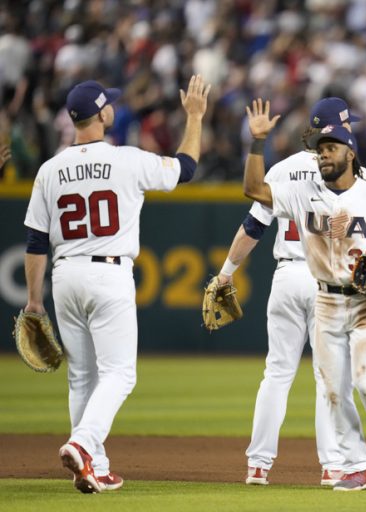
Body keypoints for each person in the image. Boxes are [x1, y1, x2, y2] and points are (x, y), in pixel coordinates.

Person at [215, 97, 366, 487]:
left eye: (333, 146)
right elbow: (253, 190)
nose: (327, 152)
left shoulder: (313, 176)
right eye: (324, 146)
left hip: (350, 292)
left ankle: (263, 463)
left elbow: (253, 226)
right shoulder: (319, 187)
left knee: (335, 379)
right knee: (331, 386)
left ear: (347, 150)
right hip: (320, 287)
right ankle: (347, 465)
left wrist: (226, 272)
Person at [22, 76, 211, 493]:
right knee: (120, 373)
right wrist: (194, 118)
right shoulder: (126, 159)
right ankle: (84, 445)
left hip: (64, 274)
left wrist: (34, 300)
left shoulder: (49, 170)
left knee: (81, 378)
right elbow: (187, 169)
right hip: (108, 273)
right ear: (102, 113)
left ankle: (94, 466)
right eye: (111, 106)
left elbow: (36, 241)